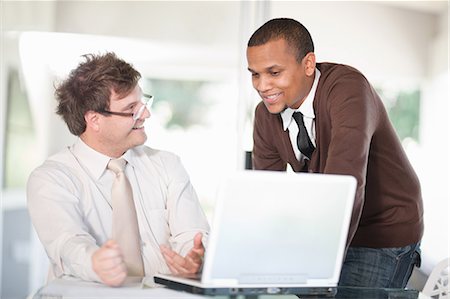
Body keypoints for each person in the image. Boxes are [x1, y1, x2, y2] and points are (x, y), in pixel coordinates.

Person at [246, 18, 423, 288]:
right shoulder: (265, 114)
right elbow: (269, 192)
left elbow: (345, 183)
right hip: (327, 228)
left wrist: (315, 259)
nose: (262, 85)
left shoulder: (348, 89)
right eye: (255, 74)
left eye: (273, 72)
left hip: (381, 231)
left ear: (307, 64)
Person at [27, 52, 209, 287]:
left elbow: (191, 235)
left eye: (143, 103)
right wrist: (95, 262)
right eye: (131, 108)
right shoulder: (51, 179)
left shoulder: (167, 165)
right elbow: (67, 243)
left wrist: (194, 258)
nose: (146, 114)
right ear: (94, 120)